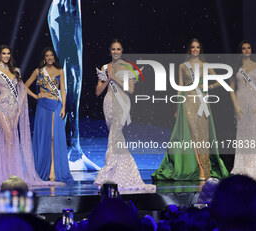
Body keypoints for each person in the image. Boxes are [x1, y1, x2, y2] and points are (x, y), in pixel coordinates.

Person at [0, 45, 60, 186]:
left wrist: (20, 108)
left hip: (14, 109)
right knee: (7, 136)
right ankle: (7, 173)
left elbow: (22, 91)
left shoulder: (15, 71)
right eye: (4, 53)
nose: (6, 56)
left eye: (8, 53)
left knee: (12, 138)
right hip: (2, 107)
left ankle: (12, 171)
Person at [152, 38, 228, 180]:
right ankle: (198, 169)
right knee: (191, 136)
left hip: (202, 102)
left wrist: (208, 87)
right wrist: (176, 107)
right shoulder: (183, 66)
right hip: (187, 102)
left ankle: (205, 169)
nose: (195, 50)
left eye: (197, 47)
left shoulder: (205, 65)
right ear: (189, 49)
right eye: (192, 47)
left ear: (200, 49)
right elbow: (180, 87)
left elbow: (220, 81)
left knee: (202, 136)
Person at [94, 39, 156, 190]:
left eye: (118, 49)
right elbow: (97, 92)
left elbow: (131, 90)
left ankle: (110, 169)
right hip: (108, 102)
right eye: (113, 49)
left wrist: (115, 78)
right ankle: (121, 170)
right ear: (110, 50)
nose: (116, 52)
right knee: (115, 136)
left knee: (115, 134)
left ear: (122, 51)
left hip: (122, 103)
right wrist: (108, 79)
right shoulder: (105, 67)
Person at [25, 47, 73, 182]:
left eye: (51, 55)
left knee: (54, 137)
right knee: (44, 138)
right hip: (42, 106)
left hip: (56, 106)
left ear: (54, 57)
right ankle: (44, 169)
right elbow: (24, 86)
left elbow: (62, 90)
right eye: (47, 56)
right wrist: (36, 96)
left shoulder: (60, 71)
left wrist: (63, 107)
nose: (50, 58)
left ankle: (53, 169)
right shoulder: (38, 71)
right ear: (44, 58)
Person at [230, 41, 256, 180]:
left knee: (253, 134)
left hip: (254, 103)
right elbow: (231, 88)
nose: (246, 50)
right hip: (241, 104)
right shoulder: (237, 67)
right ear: (241, 51)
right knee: (242, 135)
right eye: (244, 48)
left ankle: (253, 166)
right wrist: (236, 106)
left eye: (249, 48)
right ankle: (242, 165)